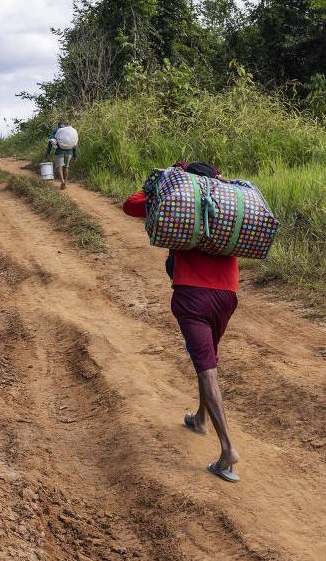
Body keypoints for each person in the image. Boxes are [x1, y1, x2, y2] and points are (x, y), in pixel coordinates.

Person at [122, 162, 242, 483]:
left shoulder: (180, 198)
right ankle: (200, 419)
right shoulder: (228, 200)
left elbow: (131, 205)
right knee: (208, 360)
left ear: (187, 179)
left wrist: (164, 177)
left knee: (207, 368)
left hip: (192, 295)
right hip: (228, 295)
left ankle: (227, 449)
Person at [45, 121, 77, 190]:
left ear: (58, 125)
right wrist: (75, 155)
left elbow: (51, 141)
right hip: (69, 152)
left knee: (59, 167)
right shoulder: (69, 131)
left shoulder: (56, 130)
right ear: (64, 125)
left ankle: (62, 180)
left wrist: (48, 153)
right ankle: (65, 181)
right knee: (66, 167)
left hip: (59, 152)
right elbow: (74, 143)